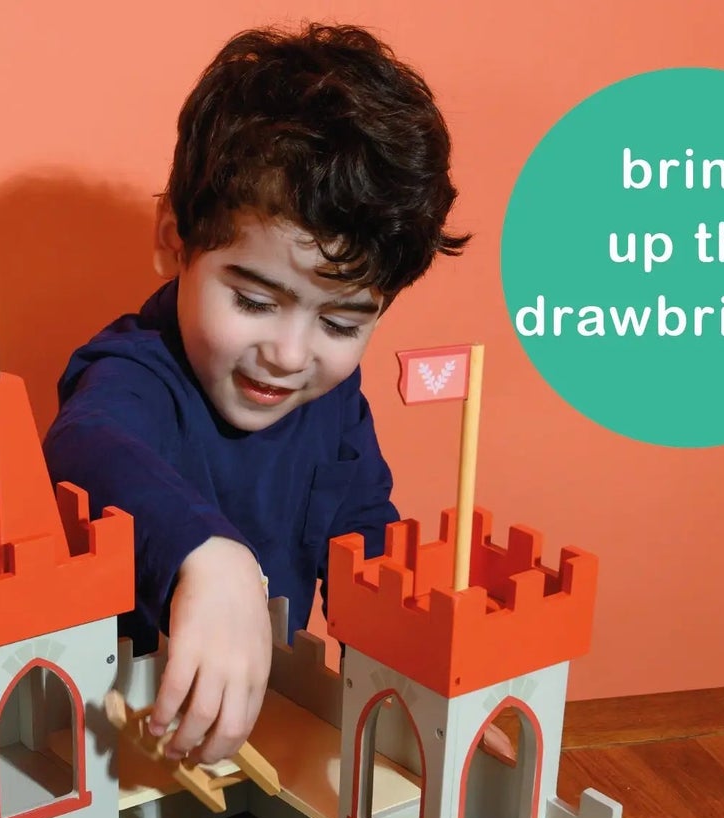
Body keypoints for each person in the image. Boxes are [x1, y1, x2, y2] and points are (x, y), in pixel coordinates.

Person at [44, 23, 467, 765]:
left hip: (263, 738)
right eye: (254, 301)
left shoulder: (332, 401)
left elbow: (363, 542)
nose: (289, 355)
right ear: (175, 241)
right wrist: (209, 556)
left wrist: (419, 686)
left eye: (340, 322)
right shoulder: (133, 373)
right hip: (121, 748)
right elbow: (82, 445)